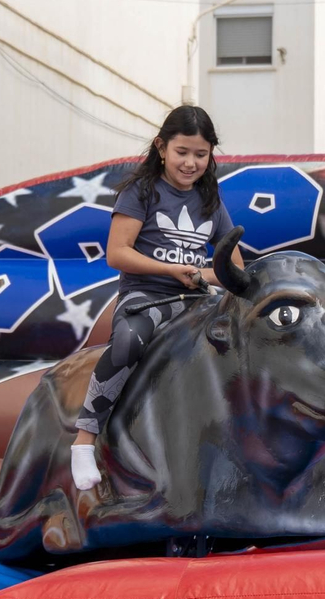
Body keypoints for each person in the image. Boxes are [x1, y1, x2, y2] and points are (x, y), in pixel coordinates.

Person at [71, 105, 244, 491]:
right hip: (145, 298)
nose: (190, 163)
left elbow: (234, 270)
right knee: (130, 341)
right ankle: (84, 438)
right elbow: (117, 253)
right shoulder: (142, 192)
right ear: (162, 148)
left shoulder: (212, 203)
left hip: (196, 304)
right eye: (182, 152)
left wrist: (201, 275)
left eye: (201, 155)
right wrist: (170, 270)